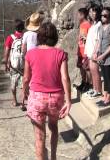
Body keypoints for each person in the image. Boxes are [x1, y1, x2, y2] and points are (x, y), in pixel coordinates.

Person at [22, 22, 72, 160]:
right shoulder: (61, 54)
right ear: (55, 36)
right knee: (53, 126)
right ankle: (54, 157)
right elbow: (65, 78)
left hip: (37, 98)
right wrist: (68, 101)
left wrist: (25, 92)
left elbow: (26, 78)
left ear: (39, 36)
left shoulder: (30, 54)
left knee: (39, 136)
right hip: (56, 98)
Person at [94, 7, 110, 107]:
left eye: (105, 15)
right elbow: (99, 41)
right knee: (104, 76)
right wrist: (95, 52)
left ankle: (108, 97)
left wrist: (103, 55)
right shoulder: (100, 27)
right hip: (101, 56)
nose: (103, 17)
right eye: (102, 15)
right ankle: (105, 96)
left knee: (108, 77)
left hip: (108, 56)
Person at [3, 19, 25, 107]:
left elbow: (7, 51)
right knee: (24, 83)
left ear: (15, 27)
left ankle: (15, 100)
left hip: (13, 65)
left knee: (13, 83)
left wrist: (6, 64)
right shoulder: (25, 37)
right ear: (23, 28)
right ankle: (23, 102)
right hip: (24, 64)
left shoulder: (10, 37)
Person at [85, 4, 102, 98]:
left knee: (95, 71)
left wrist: (95, 52)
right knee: (92, 71)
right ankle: (95, 88)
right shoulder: (94, 24)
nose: (91, 13)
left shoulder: (99, 25)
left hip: (94, 52)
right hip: (90, 51)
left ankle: (98, 90)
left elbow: (99, 40)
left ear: (98, 12)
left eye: (94, 11)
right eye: (90, 11)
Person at [76, 8, 92, 92]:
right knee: (81, 67)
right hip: (80, 50)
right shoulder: (81, 24)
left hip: (86, 50)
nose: (77, 16)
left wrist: (85, 38)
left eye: (78, 14)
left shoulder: (88, 25)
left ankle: (89, 84)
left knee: (87, 68)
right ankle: (84, 82)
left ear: (82, 15)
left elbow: (91, 38)